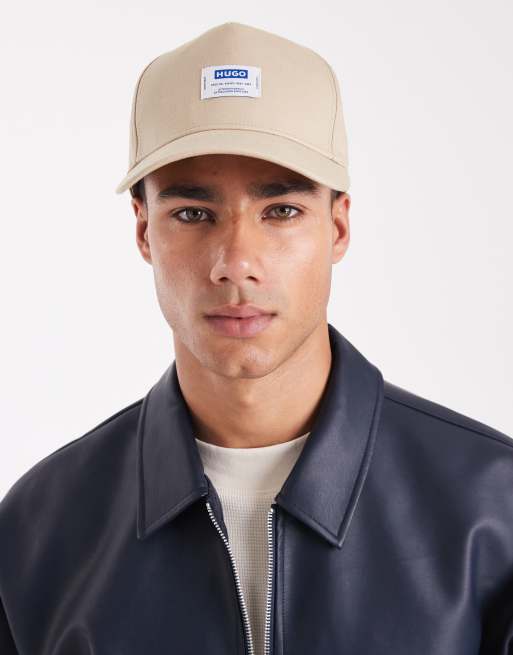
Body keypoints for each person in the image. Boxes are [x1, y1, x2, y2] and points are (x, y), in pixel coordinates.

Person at [0, 21, 511, 655]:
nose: (236, 262)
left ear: (338, 227)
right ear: (143, 231)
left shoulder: (494, 510)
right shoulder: (38, 533)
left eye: (282, 211)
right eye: (193, 214)